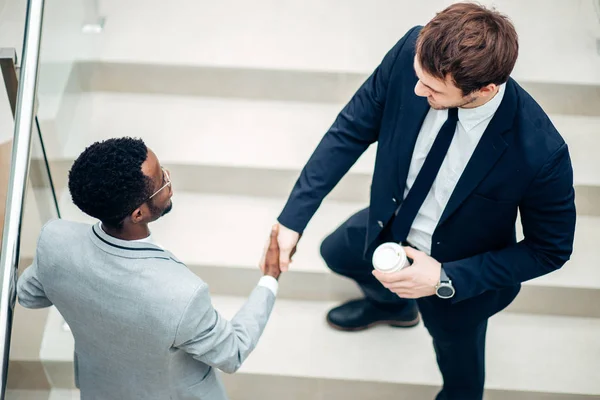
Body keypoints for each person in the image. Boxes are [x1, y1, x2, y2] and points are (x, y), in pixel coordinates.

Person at [260, 3, 576, 400]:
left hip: (458, 274)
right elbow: (351, 129)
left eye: (432, 90)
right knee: (336, 252)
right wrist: (293, 219)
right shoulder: (414, 50)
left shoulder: (540, 151)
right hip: (390, 224)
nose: (416, 91)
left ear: (484, 90)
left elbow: (550, 250)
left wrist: (445, 279)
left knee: (460, 379)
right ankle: (393, 306)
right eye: (418, 78)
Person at [18, 137, 282, 400]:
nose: (169, 179)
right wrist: (270, 277)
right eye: (162, 182)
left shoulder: (55, 240)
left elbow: (29, 296)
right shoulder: (181, 294)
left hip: (101, 388)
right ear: (138, 215)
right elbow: (232, 352)